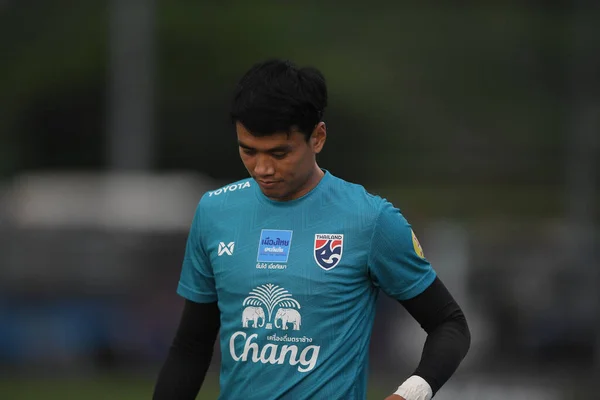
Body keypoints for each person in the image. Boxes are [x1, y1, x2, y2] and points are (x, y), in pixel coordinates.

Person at [153, 59, 470, 400]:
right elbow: (191, 346)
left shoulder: (370, 219)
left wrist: (409, 394)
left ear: (317, 137)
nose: (262, 168)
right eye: (248, 151)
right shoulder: (215, 212)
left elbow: (449, 325)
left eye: (279, 153)